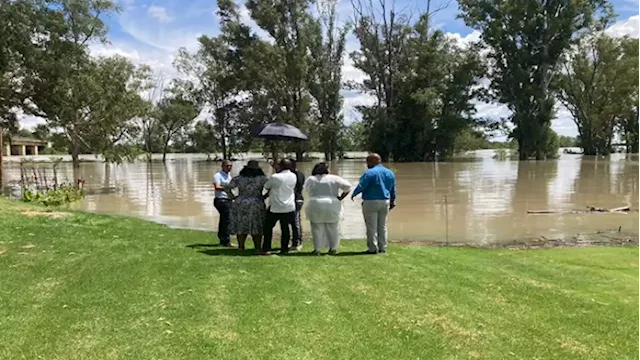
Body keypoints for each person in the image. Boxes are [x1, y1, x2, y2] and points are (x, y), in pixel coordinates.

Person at [351, 153, 396, 254]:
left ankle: (372, 248)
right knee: (382, 226)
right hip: (385, 201)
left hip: (371, 201)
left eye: (368, 161)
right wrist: (393, 200)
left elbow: (362, 185)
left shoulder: (369, 173)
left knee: (371, 226)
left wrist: (354, 194)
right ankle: (382, 247)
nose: (367, 164)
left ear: (373, 161)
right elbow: (393, 188)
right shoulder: (389, 173)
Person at [303, 162, 352, 255]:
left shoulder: (311, 179)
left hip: (315, 203)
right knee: (333, 227)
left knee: (316, 227)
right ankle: (333, 248)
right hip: (332, 203)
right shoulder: (335, 178)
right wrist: (341, 197)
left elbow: (305, 189)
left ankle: (317, 249)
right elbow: (348, 187)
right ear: (327, 170)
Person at [223, 160, 268, 253]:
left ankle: (241, 247)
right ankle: (257, 248)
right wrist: (265, 196)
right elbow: (272, 188)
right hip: (257, 202)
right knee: (256, 225)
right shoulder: (262, 178)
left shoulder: (239, 178)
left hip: (241, 202)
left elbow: (227, 187)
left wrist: (233, 197)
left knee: (241, 225)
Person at [262, 158, 297, 255]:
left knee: (268, 228)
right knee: (285, 228)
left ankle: (266, 247)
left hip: (276, 206)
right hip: (289, 206)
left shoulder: (275, 177)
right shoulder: (293, 176)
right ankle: (284, 248)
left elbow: (266, 186)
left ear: (280, 166)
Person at [213, 160, 234, 247]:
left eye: (230, 166)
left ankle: (222, 238)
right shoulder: (218, 175)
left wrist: (233, 197)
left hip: (227, 199)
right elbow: (217, 187)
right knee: (227, 220)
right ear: (222, 166)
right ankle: (226, 240)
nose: (229, 167)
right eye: (227, 166)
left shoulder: (229, 176)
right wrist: (226, 188)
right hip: (221, 200)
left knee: (224, 220)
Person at [289, 158, 306, 251]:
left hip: (296, 199)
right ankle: (295, 241)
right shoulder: (300, 174)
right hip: (298, 199)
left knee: (295, 222)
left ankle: (297, 242)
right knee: (295, 221)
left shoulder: (293, 175)